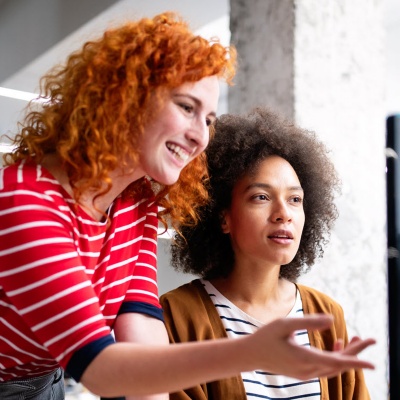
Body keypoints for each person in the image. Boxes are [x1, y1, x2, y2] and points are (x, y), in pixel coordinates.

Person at [0, 11, 375, 400]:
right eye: (186, 107)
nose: (200, 137)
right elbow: (101, 370)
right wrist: (249, 352)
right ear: (126, 98)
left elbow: (141, 340)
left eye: (209, 119)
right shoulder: (28, 200)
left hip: (45, 380)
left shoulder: (135, 203)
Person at [160, 107, 371, 399]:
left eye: (295, 199)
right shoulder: (178, 317)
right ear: (223, 217)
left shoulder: (326, 315)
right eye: (261, 197)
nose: (284, 214)